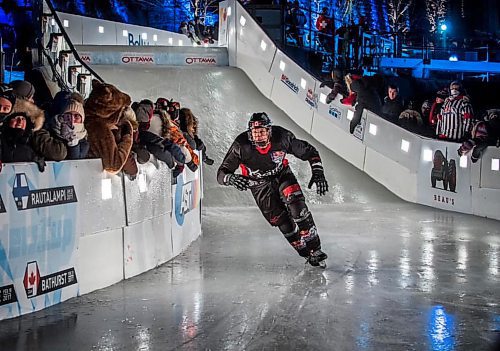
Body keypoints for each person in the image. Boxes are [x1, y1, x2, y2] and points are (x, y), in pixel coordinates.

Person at [217, 112, 329, 267]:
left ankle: (316, 250)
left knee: (298, 209)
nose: (259, 137)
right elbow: (221, 173)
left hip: (282, 175)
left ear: (269, 131)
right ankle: (305, 253)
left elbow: (310, 151)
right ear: (250, 134)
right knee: (284, 223)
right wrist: (232, 179)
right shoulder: (241, 146)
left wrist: (318, 172)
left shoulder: (282, 136)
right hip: (258, 186)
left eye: (262, 132)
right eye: (255, 133)